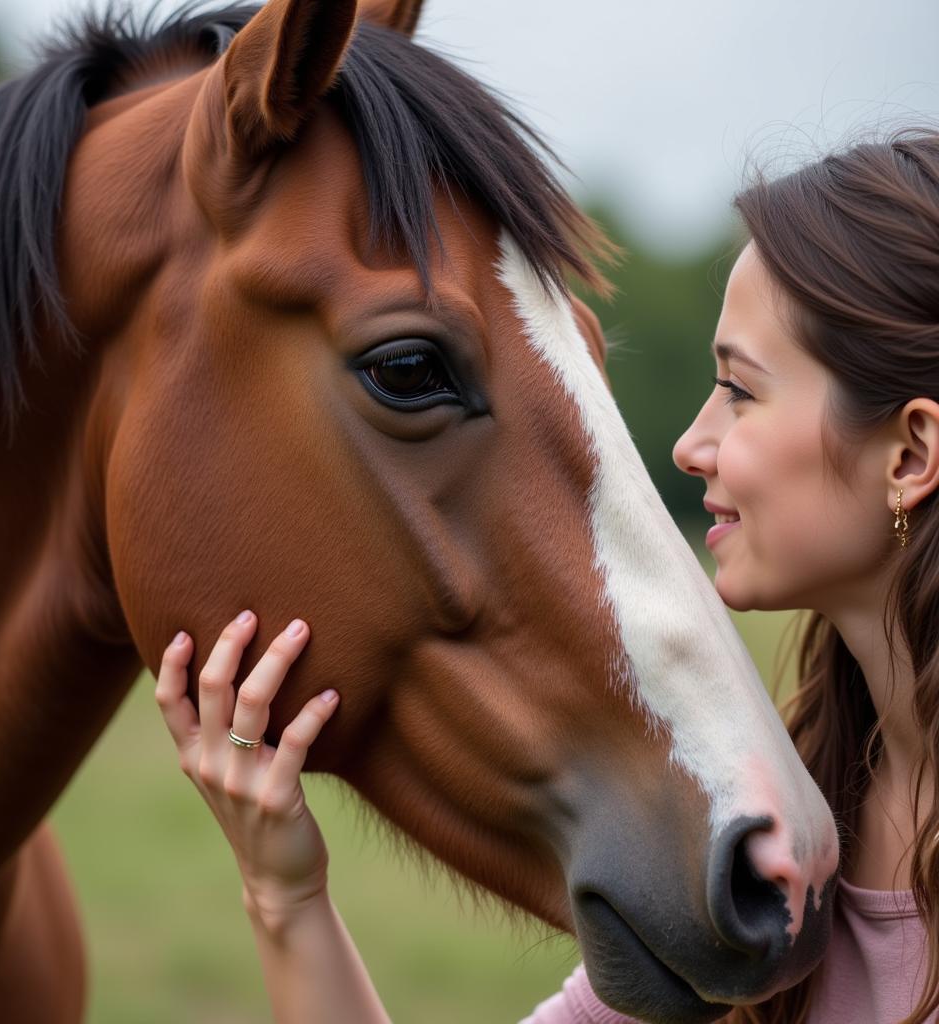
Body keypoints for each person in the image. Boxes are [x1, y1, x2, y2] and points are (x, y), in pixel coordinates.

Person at [155, 128, 939, 1023]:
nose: (690, 445)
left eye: (742, 391)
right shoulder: (776, 846)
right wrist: (284, 891)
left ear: (910, 453)